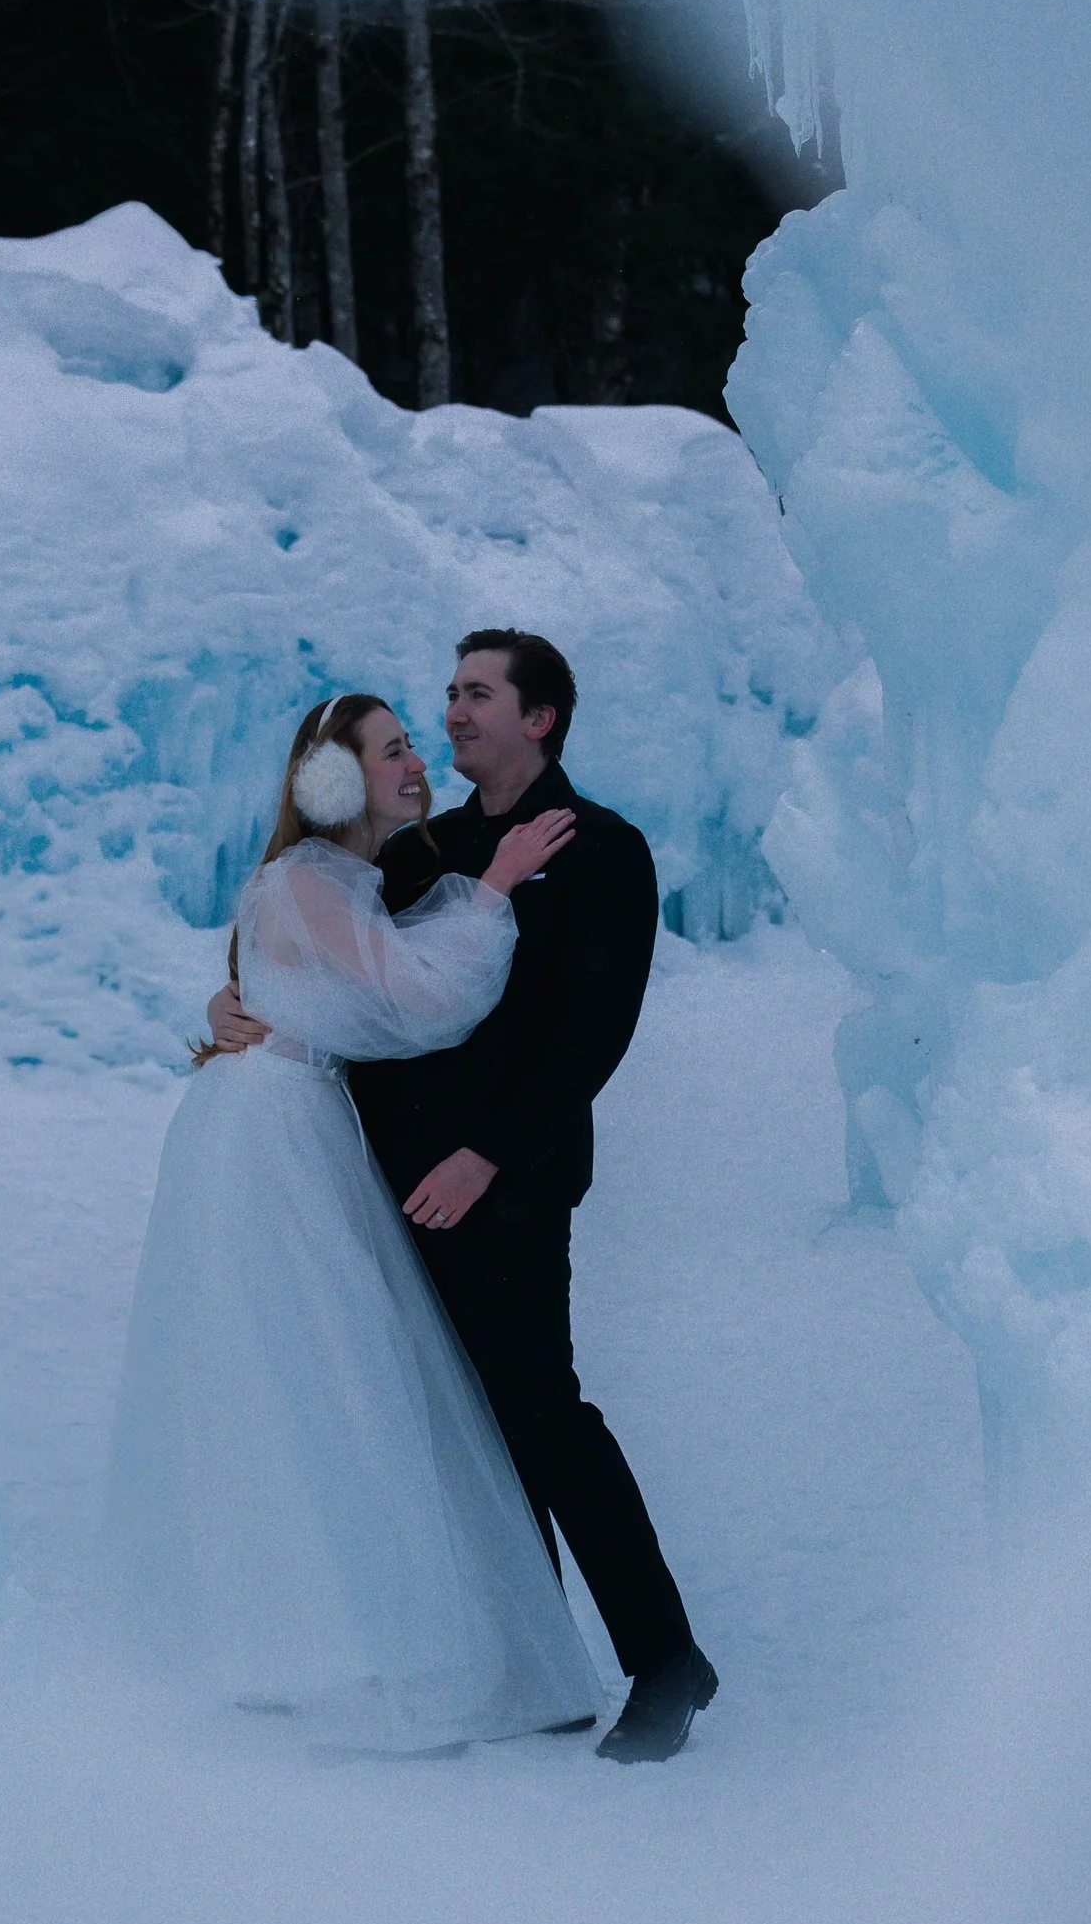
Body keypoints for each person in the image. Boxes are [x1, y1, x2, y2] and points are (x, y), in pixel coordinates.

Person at [210, 631, 717, 1766]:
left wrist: (488, 1152)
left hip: (507, 1181)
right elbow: (317, 947)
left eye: (476, 694)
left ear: (540, 718)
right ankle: (524, 1663)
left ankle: (667, 1658)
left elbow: (592, 1035)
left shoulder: (603, 852)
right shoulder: (422, 846)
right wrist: (227, 999)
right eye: (445, 696)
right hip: (384, 1184)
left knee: (541, 1413)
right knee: (459, 1426)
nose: (452, 715)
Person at [104, 691, 598, 1755]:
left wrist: (229, 997)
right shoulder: (306, 877)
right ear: (331, 781)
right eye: (390, 752)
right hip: (271, 1132)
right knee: (330, 1368)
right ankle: (357, 1643)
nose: (415, 762)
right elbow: (415, 1001)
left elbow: (319, 983)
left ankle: (341, 1632)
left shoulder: (337, 881)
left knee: (322, 1366)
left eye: (412, 745)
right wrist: (498, 887)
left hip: (289, 1118)